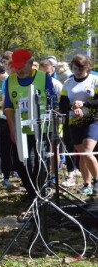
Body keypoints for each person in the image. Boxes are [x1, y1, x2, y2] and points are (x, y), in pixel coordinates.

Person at [3, 49, 57, 201]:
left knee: (40, 162)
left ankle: (40, 191)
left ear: (30, 63)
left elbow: (53, 100)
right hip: (21, 129)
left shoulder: (43, 77)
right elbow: (8, 107)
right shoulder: (10, 80)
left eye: (22, 66)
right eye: (16, 66)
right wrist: (12, 128)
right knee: (21, 162)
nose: (19, 70)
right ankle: (31, 191)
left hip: (42, 128)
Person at [59, 54, 98, 195]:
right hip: (74, 121)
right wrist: (73, 107)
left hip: (93, 119)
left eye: (80, 69)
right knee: (81, 154)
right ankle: (86, 183)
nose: (77, 71)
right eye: (75, 68)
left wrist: (84, 104)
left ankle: (97, 180)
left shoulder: (95, 80)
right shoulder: (68, 83)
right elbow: (62, 105)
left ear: (87, 68)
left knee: (88, 151)